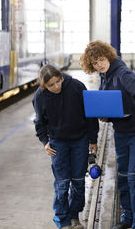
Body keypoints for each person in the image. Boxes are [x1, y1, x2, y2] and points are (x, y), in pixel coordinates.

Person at [80, 40, 135, 229]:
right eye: (95, 63)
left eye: (102, 60)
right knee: (122, 177)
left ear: (109, 56)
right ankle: (127, 218)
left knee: (134, 177)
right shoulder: (105, 76)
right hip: (121, 132)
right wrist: (107, 116)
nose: (100, 65)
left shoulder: (123, 74)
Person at [32, 64, 99, 229]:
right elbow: (39, 122)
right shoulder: (40, 96)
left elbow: (90, 115)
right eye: (51, 85)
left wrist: (93, 139)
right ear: (44, 86)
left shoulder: (76, 87)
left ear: (61, 77)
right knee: (62, 184)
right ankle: (63, 221)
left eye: (58, 81)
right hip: (58, 143)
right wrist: (45, 142)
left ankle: (74, 216)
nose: (56, 87)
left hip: (80, 141)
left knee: (78, 182)